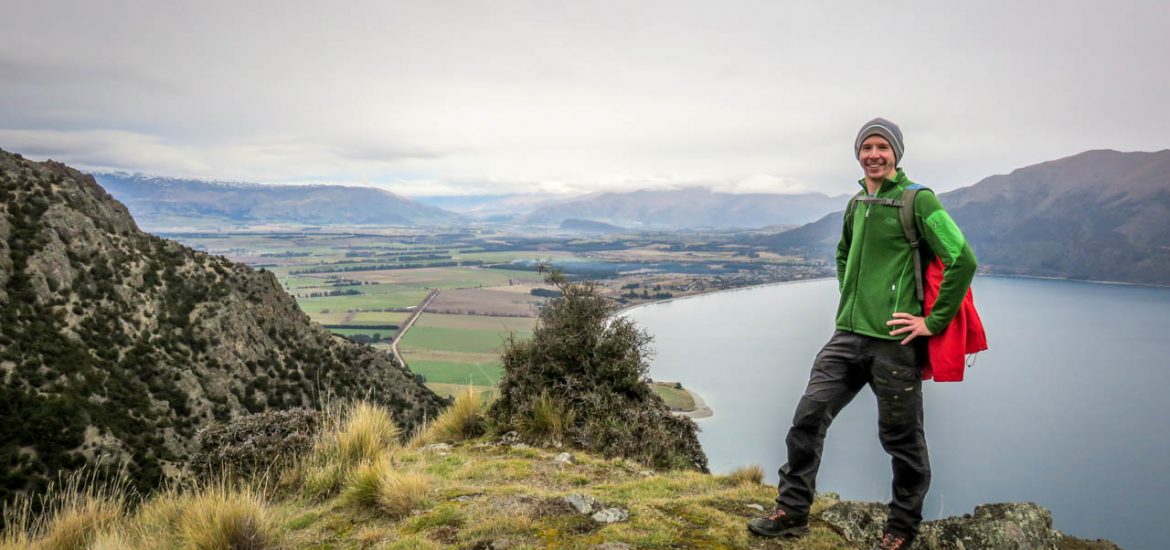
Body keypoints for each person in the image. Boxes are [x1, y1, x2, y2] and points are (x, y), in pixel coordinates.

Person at [748, 118, 978, 550]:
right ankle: (792, 511)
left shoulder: (918, 201)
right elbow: (843, 255)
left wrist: (931, 322)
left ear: (896, 153)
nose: (874, 154)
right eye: (866, 147)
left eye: (882, 147)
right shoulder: (856, 204)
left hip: (895, 342)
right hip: (847, 336)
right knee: (807, 419)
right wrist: (855, 298)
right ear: (858, 154)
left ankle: (901, 530)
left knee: (902, 440)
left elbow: (962, 259)